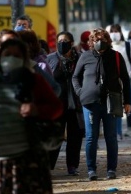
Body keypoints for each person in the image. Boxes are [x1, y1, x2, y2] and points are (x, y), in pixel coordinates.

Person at [0, 39, 63, 194]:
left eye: (17, 55)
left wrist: (36, 110)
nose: (12, 58)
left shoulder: (34, 80)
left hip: (27, 161)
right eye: (8, 54)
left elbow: (56, 107)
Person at [72, 28, 131, 181]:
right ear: (91, 41)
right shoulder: (85, 57)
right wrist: (80, 92)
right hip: (90, 103)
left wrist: (128, 101)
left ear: (108, 41)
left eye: (103, 39)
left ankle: (111, 169)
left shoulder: (116, 56)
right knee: (91, 137)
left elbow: (125, 79)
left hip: (111, 102)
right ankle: (91, 169)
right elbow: (75, 77)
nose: (100, 42)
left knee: (111, 137)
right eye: (96, 39)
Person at [46, 31, 84, 175]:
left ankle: (72, 166)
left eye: (65, 41)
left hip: (76, 104)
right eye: (59, 41)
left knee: (75, 136)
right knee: (55, 136)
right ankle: (49, 166)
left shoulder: (80, 59)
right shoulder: (50, 59)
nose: (62, 43)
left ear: (72, 43)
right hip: (57, 105)